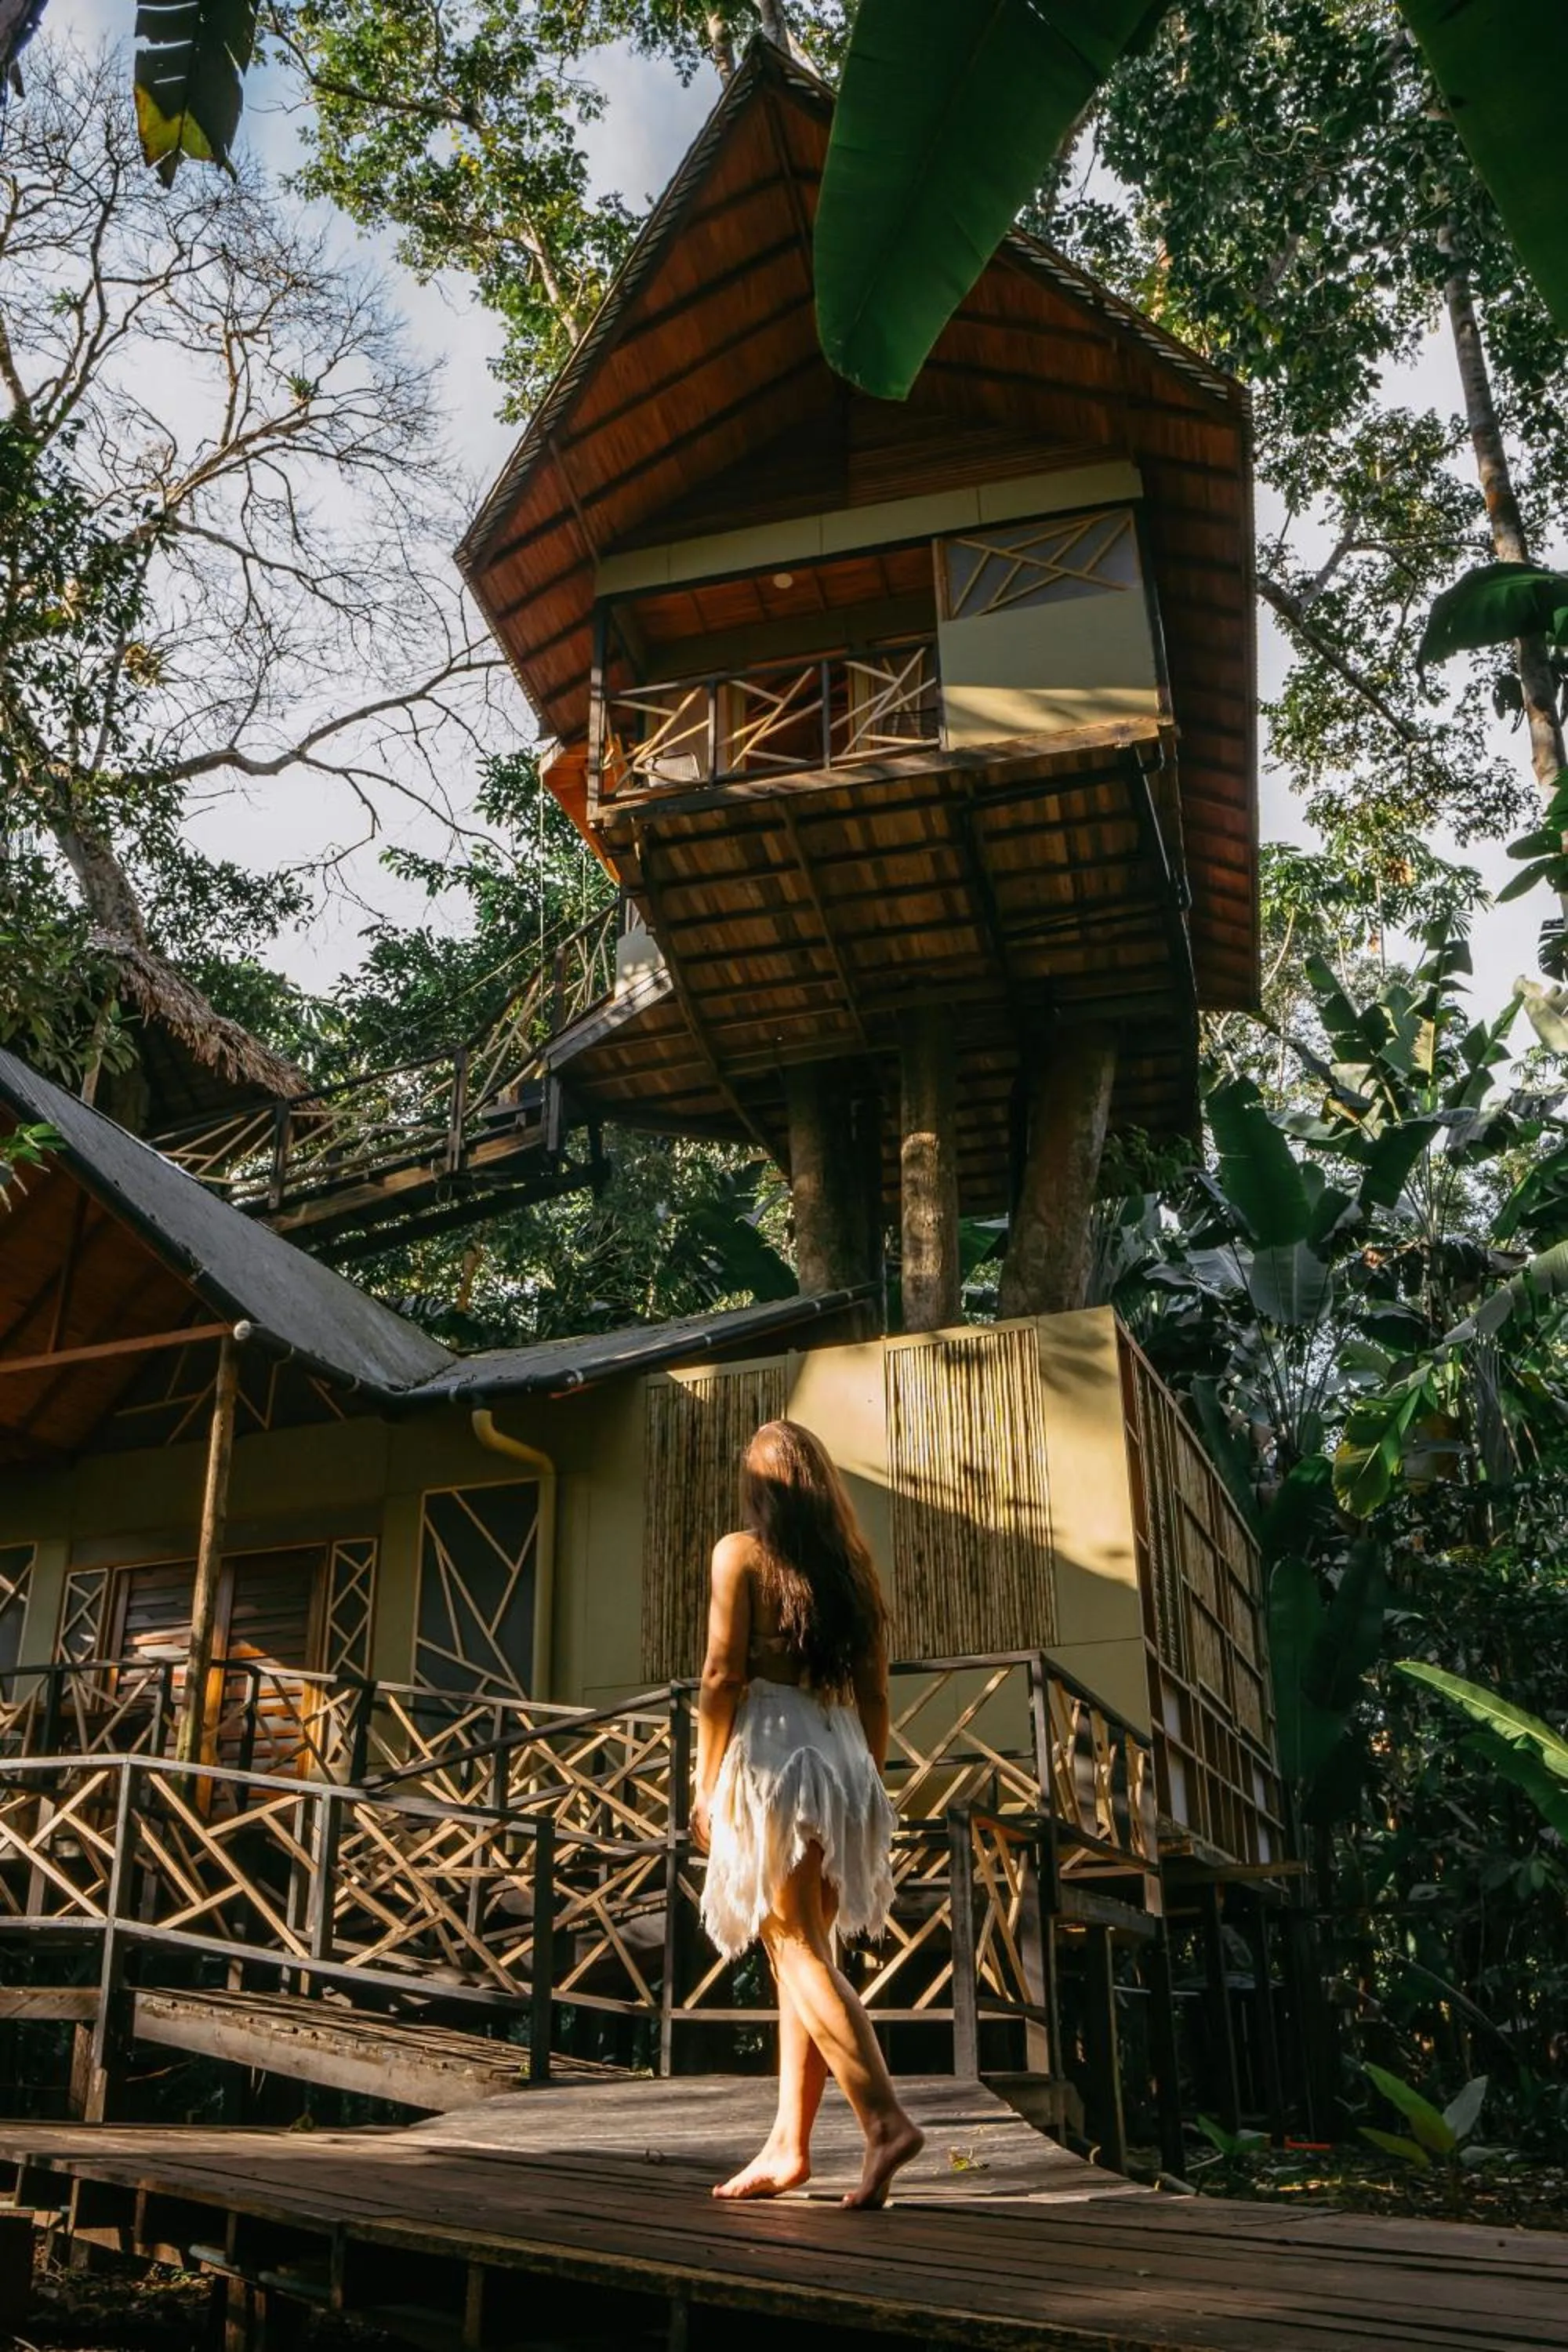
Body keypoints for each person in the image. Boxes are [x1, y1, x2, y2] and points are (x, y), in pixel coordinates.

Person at [691, 1418, 924, 2209]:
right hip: (843, 1752)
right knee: (810, 1951)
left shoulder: (740, 1555)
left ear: (759, 1491)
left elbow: (721, 1676)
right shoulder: (850, 1570)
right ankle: (789, 2146)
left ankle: (884, 2121)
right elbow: (876, 1693)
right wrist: (868, 1780)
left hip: (775, 1751)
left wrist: (704, 1778)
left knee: (791, 1949)